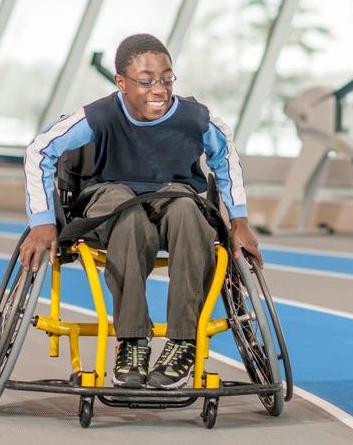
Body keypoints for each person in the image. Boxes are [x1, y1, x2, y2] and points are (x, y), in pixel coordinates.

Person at [19, 33, 260, 390]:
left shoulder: (196, 118)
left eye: (166, 78)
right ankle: (132, 341)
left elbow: (226, 158)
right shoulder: (98, 115)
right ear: (121, 82)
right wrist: (42, 223)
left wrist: (239, 220)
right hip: (110, 199)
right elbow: (39, 150)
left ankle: (183, 341)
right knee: (130, 221)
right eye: (146, 81)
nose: (159, 89)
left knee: (188, 213)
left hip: (173, 197)